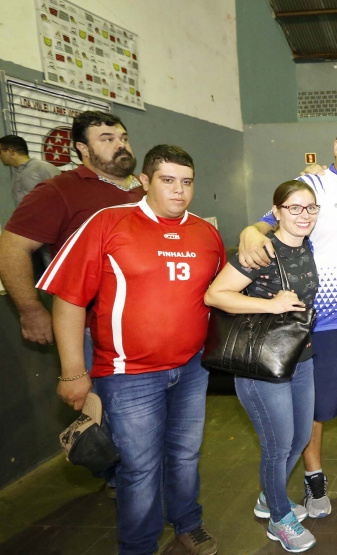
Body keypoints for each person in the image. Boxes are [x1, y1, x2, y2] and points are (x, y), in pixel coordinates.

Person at [38, 145, 224, 555]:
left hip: (191, 370)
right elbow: (68, 299)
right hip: (128, 375)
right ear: (144, 181)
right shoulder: (109, 223)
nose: (179, 191)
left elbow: (219, 294)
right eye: (168, 180)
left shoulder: (206, 233)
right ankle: (139, 546)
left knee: (185, 455)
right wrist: (73, 372)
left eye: (187, 182)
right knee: (139, 468)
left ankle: (187, 523)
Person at [238, 117, 337, 517]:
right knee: (317, 407)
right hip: (326, 320)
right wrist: (253, 229)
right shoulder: (315, 185)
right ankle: (313, 474)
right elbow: (274, 217)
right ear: (336, 147)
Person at [204, 180, 320, 553]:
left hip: (299, 358)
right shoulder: (262, 251)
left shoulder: (307, 246)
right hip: (260, 367)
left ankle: (267, 499)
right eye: (294, 208)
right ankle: (279, 518)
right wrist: (271, 305)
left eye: (311, 208)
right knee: (277, 444)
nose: (304, 215)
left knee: (300, 438)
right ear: (277, 212)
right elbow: (216, 294)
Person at [0, 111, 143, 345]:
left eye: (123, 138)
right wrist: (31, 310)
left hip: (156, 322)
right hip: (97, 332)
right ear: (83, 148)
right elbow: (10, 248)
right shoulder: (59, 190)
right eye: (107, 139)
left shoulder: (146, 187)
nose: (121, 145)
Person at [0, 134, 61, 206]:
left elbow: (64, 196)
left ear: (11, 152)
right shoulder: (16, 173)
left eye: (0, 152)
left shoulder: (43, 167)